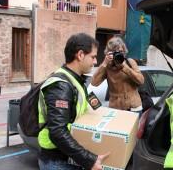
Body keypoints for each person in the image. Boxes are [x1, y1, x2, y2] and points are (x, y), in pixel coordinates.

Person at [37, 33, 109, 170]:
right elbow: (58, 131)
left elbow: (92, 107)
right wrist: (89, 160)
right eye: (93, 57)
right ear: (80, 55)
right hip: (57, 161)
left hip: (70, 157)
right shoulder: (61, 86)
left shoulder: (76, 80)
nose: (95, 62)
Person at [91, 36, 144, 113]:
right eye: (115, 52)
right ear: (109, 53)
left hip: (133, 107)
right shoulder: (107, 67)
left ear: (124, 51)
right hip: (116, 108)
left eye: (121, 52)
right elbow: (94, 83)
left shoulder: (130, 62)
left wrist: (124, 67)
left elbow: (141, 80)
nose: (118, 54)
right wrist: (104, 63)